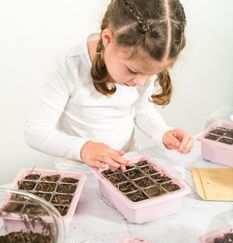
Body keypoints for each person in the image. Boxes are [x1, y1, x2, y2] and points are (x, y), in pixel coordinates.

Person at [25, 0, 194, 171]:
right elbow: (35, 132)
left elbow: (141, 110)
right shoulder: (69, 66)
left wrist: (163, 132)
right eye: (133, 70)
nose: (141, 82)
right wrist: (83, 148)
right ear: (107, 39)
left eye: (151, 73)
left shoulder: (141, 67)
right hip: (80, 171)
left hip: (126, 165)